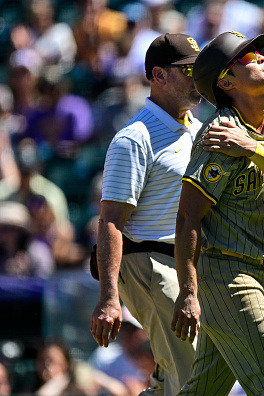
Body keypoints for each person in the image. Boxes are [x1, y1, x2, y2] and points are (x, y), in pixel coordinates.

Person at [171, 31, 264, 395]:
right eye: (246, 56)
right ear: (226, 81)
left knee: (205, 390)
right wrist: (188, 290)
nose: (259, 56)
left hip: (257, 272)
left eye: (257, 51)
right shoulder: (219, 135)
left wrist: (251, 149)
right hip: (226, 274)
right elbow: (187, 218)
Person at [89, 33, 201, 396]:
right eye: (188, 70)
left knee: (178, 373)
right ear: (159, 75)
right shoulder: (134, 138)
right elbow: (110, 221)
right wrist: (109, 298)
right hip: (149, 262)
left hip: (186, 265)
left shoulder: (197, 129)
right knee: (193, 372)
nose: (197, 78)